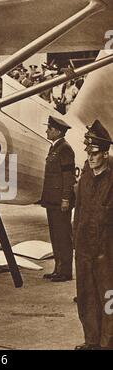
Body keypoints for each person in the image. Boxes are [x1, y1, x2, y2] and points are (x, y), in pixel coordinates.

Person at [74, 120, 113, 350]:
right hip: (85, 250)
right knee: (86, 296)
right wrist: (75, 243)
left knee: (109, 298)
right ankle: (91, 340)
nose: (90, 156)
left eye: (95, 153)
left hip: (106, 252)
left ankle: (108, 342)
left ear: (105, 154)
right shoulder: (86, 178)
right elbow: (78, 212)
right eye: (88, 152)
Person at [41, 116, 76, 282]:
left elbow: (68, 177)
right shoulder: (54, 148)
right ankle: (58, 268)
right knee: (55, 235)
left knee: (63, 236)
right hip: (52, 200)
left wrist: (65, 199)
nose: (46, 131)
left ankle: (66, 271)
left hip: (60, 201)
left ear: (57, 131)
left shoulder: (65, 149)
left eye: (49, 128)